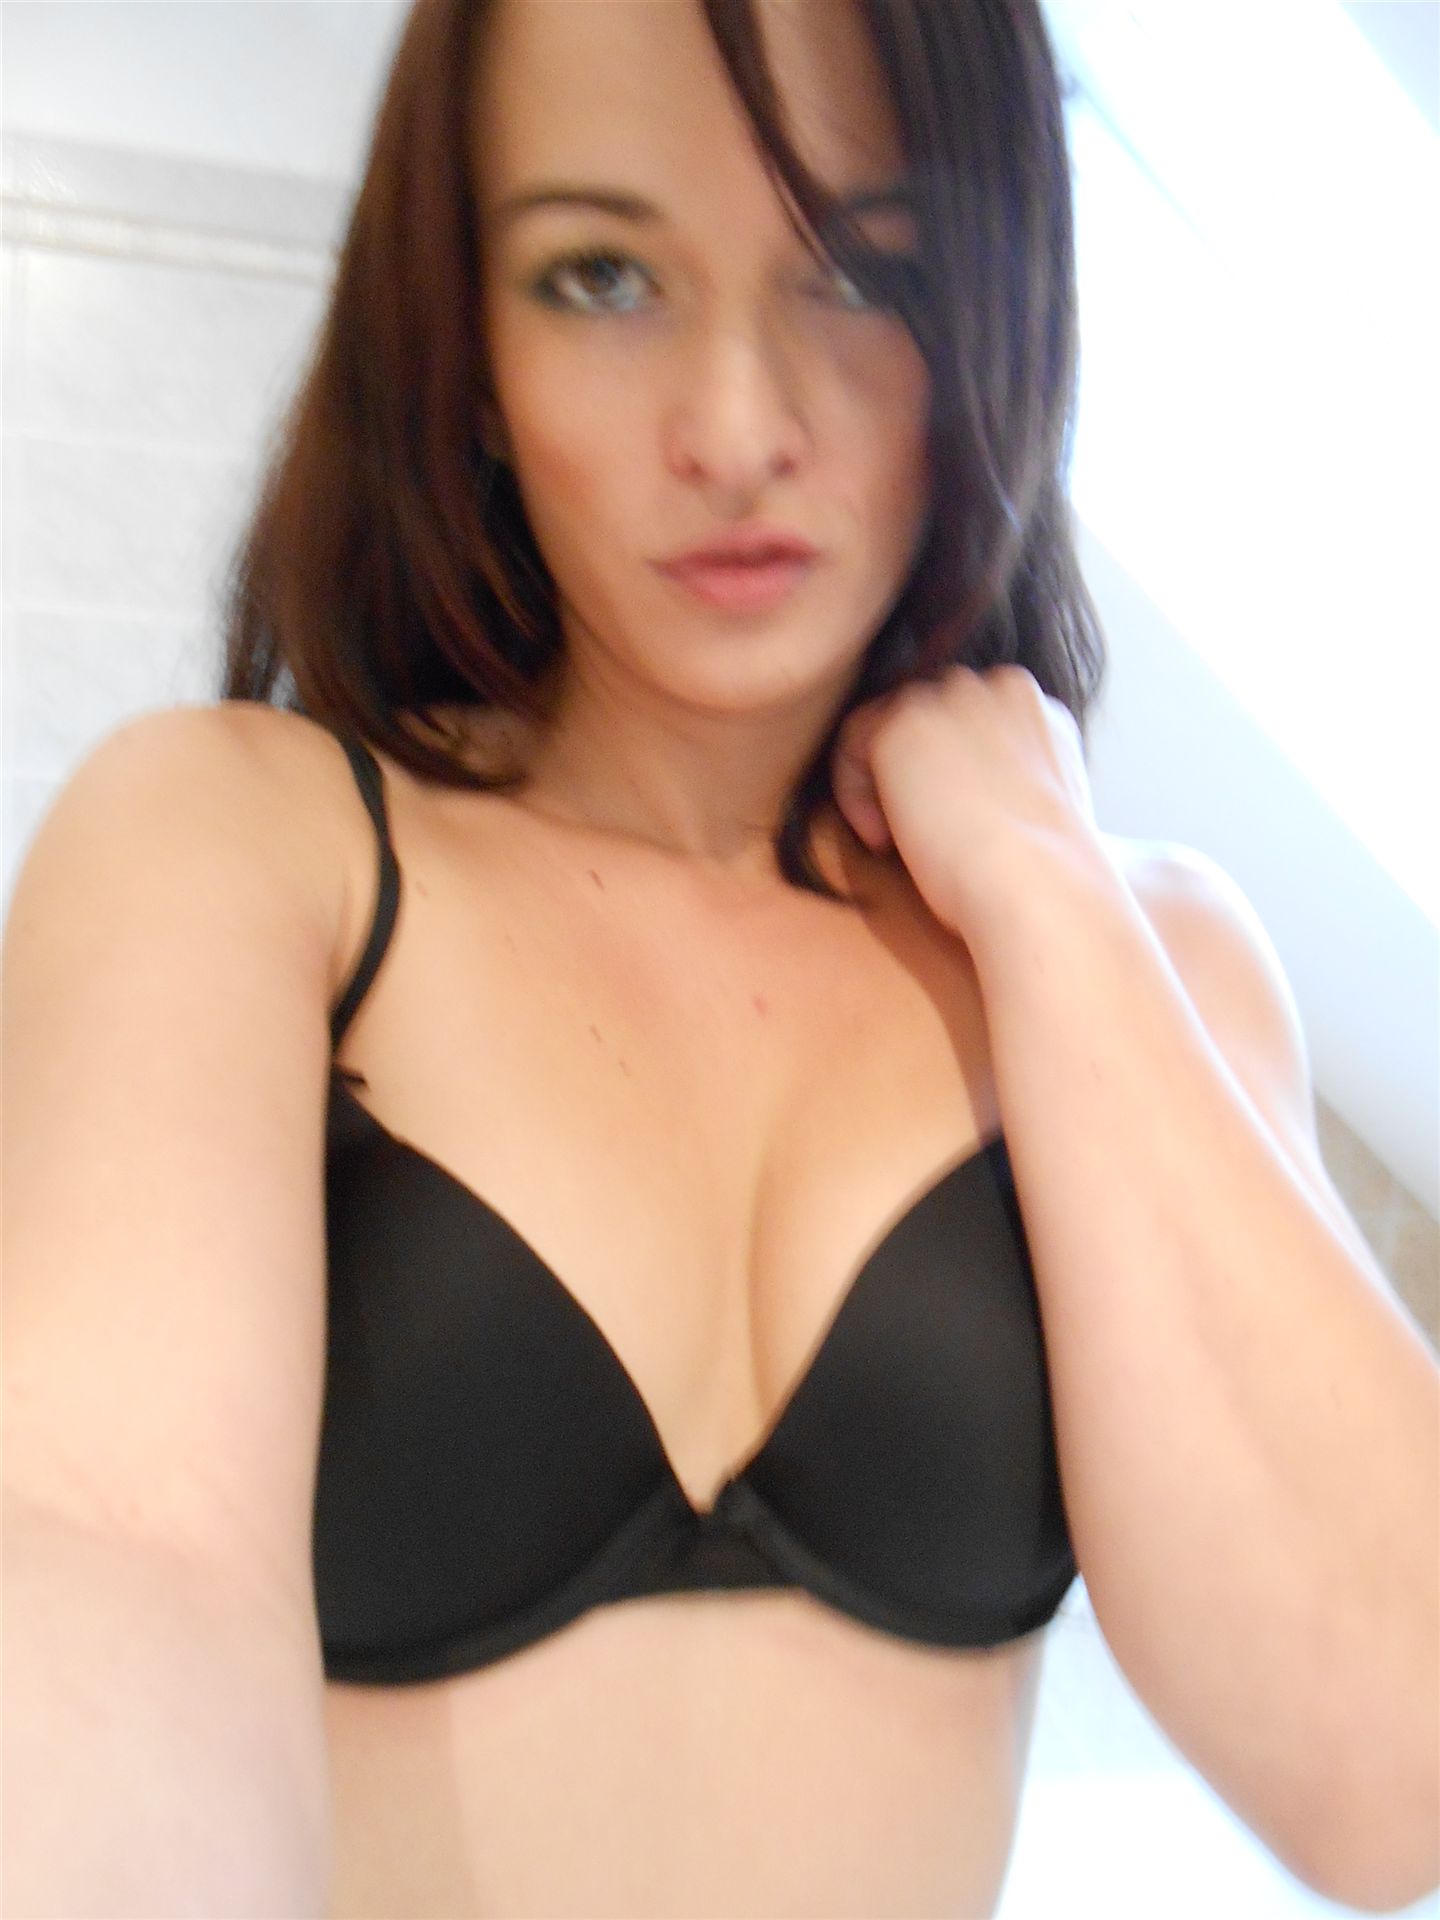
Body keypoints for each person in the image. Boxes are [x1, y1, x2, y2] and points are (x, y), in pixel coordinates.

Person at [15, 0, 1435, 1915]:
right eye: (603, 277)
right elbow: (106, 1559)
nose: (741, 428)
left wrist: (1041, 883)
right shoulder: (247, 846)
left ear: (997, 312)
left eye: (864, 273)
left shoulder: (1141, 950)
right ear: (467, 345)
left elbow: (1392, 1768)